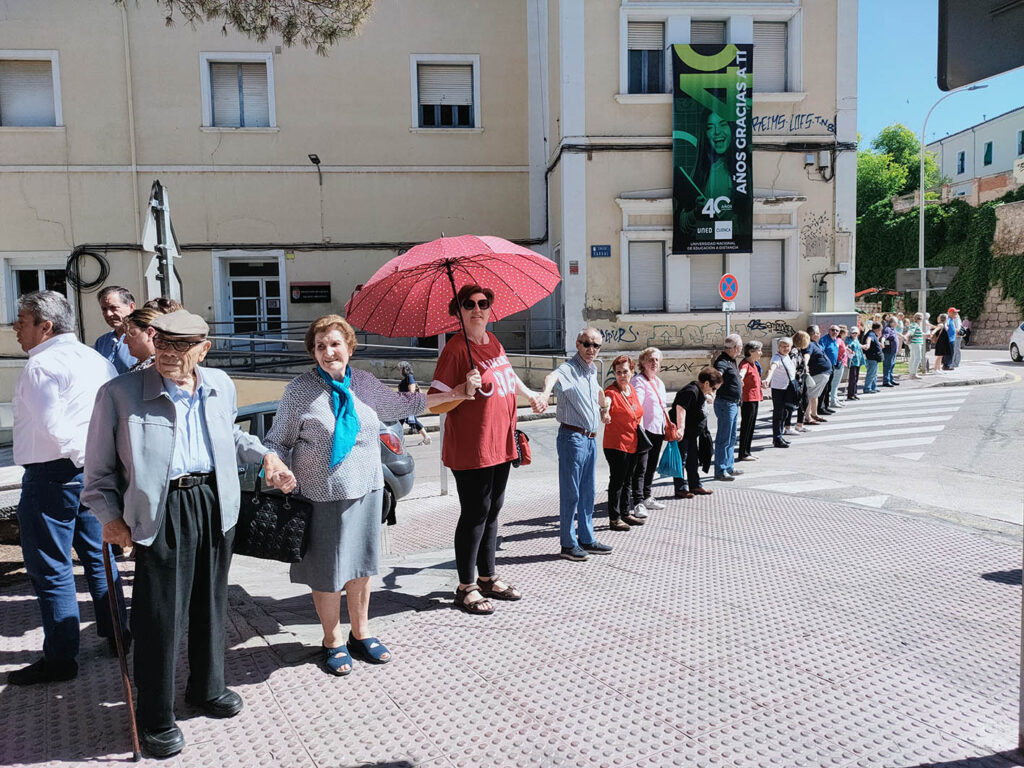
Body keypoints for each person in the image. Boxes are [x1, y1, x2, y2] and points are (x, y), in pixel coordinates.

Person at [83, 309, 297, 758]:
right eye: (160, 342)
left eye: (179, 347)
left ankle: (207, 688)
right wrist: (109, 517)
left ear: (203, 348)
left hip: (214, 502)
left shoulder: (220, 385)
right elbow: (99, 472)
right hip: (159, 509)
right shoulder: (120, 394)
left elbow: (229, 439)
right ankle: (155, 715)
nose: (166, 353)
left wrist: (266, 458)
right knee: (160, 617)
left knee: (211, 604)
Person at [263, 315, 456, 677]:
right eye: (320, 346)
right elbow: (276, 441)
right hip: (320, 495)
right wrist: (275, 465)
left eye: (335, 344)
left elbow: (407, 406)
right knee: (326, 572)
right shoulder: (300, 390)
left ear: (349, 347)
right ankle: (332, 640)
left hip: (366, 491)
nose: (327, 352)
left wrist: (458, 392)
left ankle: (361, 633)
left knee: (362, 567)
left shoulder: (364, 384)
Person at [8, 290, 127, 686]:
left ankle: (61, 658)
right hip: (89, 472)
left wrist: (80, 461)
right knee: (99, 557)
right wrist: (96, 466)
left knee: (52, 569)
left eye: (22, 322)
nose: (14, 328)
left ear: (46, 326)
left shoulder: (43, 365)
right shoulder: (95, 359)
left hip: (52, 475)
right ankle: (117, 634)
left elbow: (53, 429)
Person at [429, 285, 545, 610]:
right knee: (475, 514)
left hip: (502, 443)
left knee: (493, 511)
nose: (477, 309)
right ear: (459, 312)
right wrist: (461, 390)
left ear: (490, 309)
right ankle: (465, 586)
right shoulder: (455, 350)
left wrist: (530, 394)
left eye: (482, 303)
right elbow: (433, 403)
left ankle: (487, 578)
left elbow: (508, 375)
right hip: (473, 448)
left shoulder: (493, 342)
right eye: (468, 304)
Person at [537, 327, 613, 562]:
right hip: (572, 437)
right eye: (587, 344)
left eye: (596, 345)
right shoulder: (569, 369)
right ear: (578, 344)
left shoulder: (591, 370)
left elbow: (599, 392)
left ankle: (587, 538)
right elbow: (552, 377)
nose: (591, 349)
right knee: (571, 493)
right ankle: (568, 544)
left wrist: (604, 407)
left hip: (590, 438)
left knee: (588, 492)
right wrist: (543, 395)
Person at [603, 356, 645, 532]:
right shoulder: (611, 393)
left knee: (628, 480)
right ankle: (614, 518)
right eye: (618, 372)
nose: (621, 375)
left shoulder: (631, 390)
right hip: (616, 445)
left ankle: (625, 512)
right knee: (617, 481)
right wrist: (604, 412)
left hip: (633, 443)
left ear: (632, 372)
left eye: (625, 371)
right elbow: (605, 405)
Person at [671, 367, 722, 496]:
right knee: (681, 460)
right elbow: (680, 408)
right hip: (684, 433)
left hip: (692, 433)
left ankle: (695, 485)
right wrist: (680, 428)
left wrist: (709, 395)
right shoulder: (690, 391)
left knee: (693, 460)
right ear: (706, 384)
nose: (713, 391)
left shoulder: (700, 391)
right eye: (713, 388)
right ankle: (680, 488)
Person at [630, 347, 669, 514]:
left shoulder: (659, 382)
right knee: (641, 467)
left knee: (652, 465)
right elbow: (636, 405)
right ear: (643, 363)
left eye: (657, 360)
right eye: (650, 360)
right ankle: (637, 501)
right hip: (644, 430)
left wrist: (668, 424)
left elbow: (663, 406)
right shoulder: (639, 381)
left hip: (658, 429)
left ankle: (647, 496)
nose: (654, 363)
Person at [712, 334, 744, 482]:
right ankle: (720, 469)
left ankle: (729, 466)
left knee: (731, 437)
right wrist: (713, 386)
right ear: (735, 348)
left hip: (733, 403)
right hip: (725, 403)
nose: (741, 350)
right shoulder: (723, 361)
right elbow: (718, 373)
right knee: (723, 438)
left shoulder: (732, 360)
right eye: (740, 347)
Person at [120, 304, 178, 372]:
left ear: (150, 332)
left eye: (131, 333)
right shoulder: (144, 367)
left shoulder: (162, 369)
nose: (124, 341)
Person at [94, 286, 138, 373]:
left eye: (113, 308)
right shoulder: (102, 342)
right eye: (104, 309)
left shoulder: (144, 338)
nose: (108, 314)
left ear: (131, 307)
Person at [764, 337, 797, 448]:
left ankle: (780, 435)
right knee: (778, 414)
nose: (786, 348)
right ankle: (777, 438)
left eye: (788, 346)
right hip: (779, 389)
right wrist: (768, 379)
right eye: (783, 346)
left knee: (786, 411)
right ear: (778, 347)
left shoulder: (787, 356)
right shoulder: (776, 358)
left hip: (788, 388)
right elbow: (772, 368)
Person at [737, 341, 763, 461]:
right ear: (751, 352)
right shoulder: (745, 364)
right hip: (748, 399)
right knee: (746, 426)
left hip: (755, 397)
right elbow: (741, 374)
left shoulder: (754, 364)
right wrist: (740, 379)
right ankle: (743, 453)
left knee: (751, 426)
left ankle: (747, 451)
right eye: (758, 350)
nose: (761, 353)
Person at [804, 326, 834, 421]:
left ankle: (814, 414)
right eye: (818, 332)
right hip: (818, 373)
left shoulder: (816, 344)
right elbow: (806, 355)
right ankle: (808, 417)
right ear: (814, 334)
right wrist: (805, 366)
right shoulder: (810, 344)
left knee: (815, 395)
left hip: (823, 373)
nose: (820, 334)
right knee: (810, 395)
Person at [397, 361, 431, 445]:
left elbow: (411, 391)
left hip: (408, 404)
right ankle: (398, 440)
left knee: (406, 421)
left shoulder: (410, 377)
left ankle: (426, 437)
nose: (399, 371)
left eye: (401, 369)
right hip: (404, 404)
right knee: (402, 421)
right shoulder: (406, 378)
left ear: (405, 369)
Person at [790, 331, 813, 432]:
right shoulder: (794, 351)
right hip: (798, 380)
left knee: (804, 401)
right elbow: (794, 366)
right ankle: (795, 425)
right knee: (800, 402)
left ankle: (800, 424)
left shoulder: (797, 350)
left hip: (801, 379)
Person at [818, 325, 840, 413]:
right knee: (824, 388)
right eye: (833, 330)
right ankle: (820, 407)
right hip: (825, 367)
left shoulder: (835, 340)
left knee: (828, 387)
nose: (835, 332)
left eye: (837, 331)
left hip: (832, 366)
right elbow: (821, 352)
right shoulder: (824, 340)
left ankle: (826, 406)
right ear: (829, 330)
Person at [862, 321, 883, 392]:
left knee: (874, 373)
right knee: (871, 373)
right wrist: (867, 345)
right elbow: (869, 339)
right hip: (871, 357)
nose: (880, 331)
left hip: (874, 358)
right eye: (880, 329)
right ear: (877, 329)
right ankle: (867, 388)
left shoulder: (873, 334)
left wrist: (879, 343)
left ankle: (873, 387)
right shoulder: (871, 334)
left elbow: (874, 340)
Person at [845, 327, 865, 400]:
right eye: (853, 333)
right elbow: (846, 346)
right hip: (853, 361)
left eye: (856, 333)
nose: (855, 334)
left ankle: (854, 393)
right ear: (851, 333)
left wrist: (864, 346)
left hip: (858, 360)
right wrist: (849, 350)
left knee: (856, 378)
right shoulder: (849, 339)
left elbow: (859, 346)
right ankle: (850, 394)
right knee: (852, 378)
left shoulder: (856, 339)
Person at [881, 317, 901, 387]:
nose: (896, 324)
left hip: (893, 351)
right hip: (888, 351)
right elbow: (884, 337)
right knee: (887, 366)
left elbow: (896, 334)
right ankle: (886, 381)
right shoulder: (887, 329)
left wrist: (903, 336)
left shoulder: (893, 329)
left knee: (892, 365)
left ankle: (891, 379)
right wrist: (882, 343)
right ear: (892, 323)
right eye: (896, 323)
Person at [905, 312, 926, 379]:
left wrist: (925, 335)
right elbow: (911, 331)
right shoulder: (915, 325)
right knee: (918, 358)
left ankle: (911, 373)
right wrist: (906, 336)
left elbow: (914, 332)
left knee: (913, 358)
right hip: (916, 343)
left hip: (913, 343)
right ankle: (913, 374)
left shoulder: (914, 324)